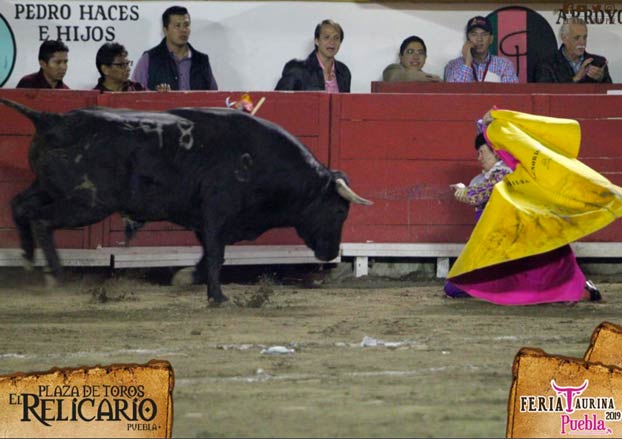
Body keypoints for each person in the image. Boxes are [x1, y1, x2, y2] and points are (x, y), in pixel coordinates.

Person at [444, 113, 602, 305]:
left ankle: (578, 290)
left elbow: (475, 196)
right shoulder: (508, 170)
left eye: (481, 153)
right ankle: (574, 289)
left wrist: (461, 191)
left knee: (461, 286)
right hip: (513, 245)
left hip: (518, 246)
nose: (478, 158)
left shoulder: (504, 173)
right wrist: (486, 125)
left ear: (496, 152)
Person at [131, 5, 218, 91]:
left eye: (186, 25)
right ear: (165, 30)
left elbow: (214, 97)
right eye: (177, 25)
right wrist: (156, 97)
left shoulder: (201, 61)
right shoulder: (149, 59)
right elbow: (135, 96)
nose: (183, 30)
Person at [275, 19, 351, 92]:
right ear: (317, 41)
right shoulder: (297, 70)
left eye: (336, 38)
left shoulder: (344, 72)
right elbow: (277, 101)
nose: (332, 42)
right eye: (326, 37)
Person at [534, 17, 611, 83]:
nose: (582, 42)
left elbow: (611, 96)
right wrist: (576, 78)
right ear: (564, 38)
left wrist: (601, 79)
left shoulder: (597, 63)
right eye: (576, 38)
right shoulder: (546, 66)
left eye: (584, 37)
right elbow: (545, 96)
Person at [444, 16, 518, 83]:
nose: (479, 39)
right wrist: (467, 63)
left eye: (484, 34)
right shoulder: (453, 65)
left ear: (491, 39)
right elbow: (456, 94)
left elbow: (511, 96)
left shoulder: (504, 65)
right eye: (474, 34)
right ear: (467, 39)